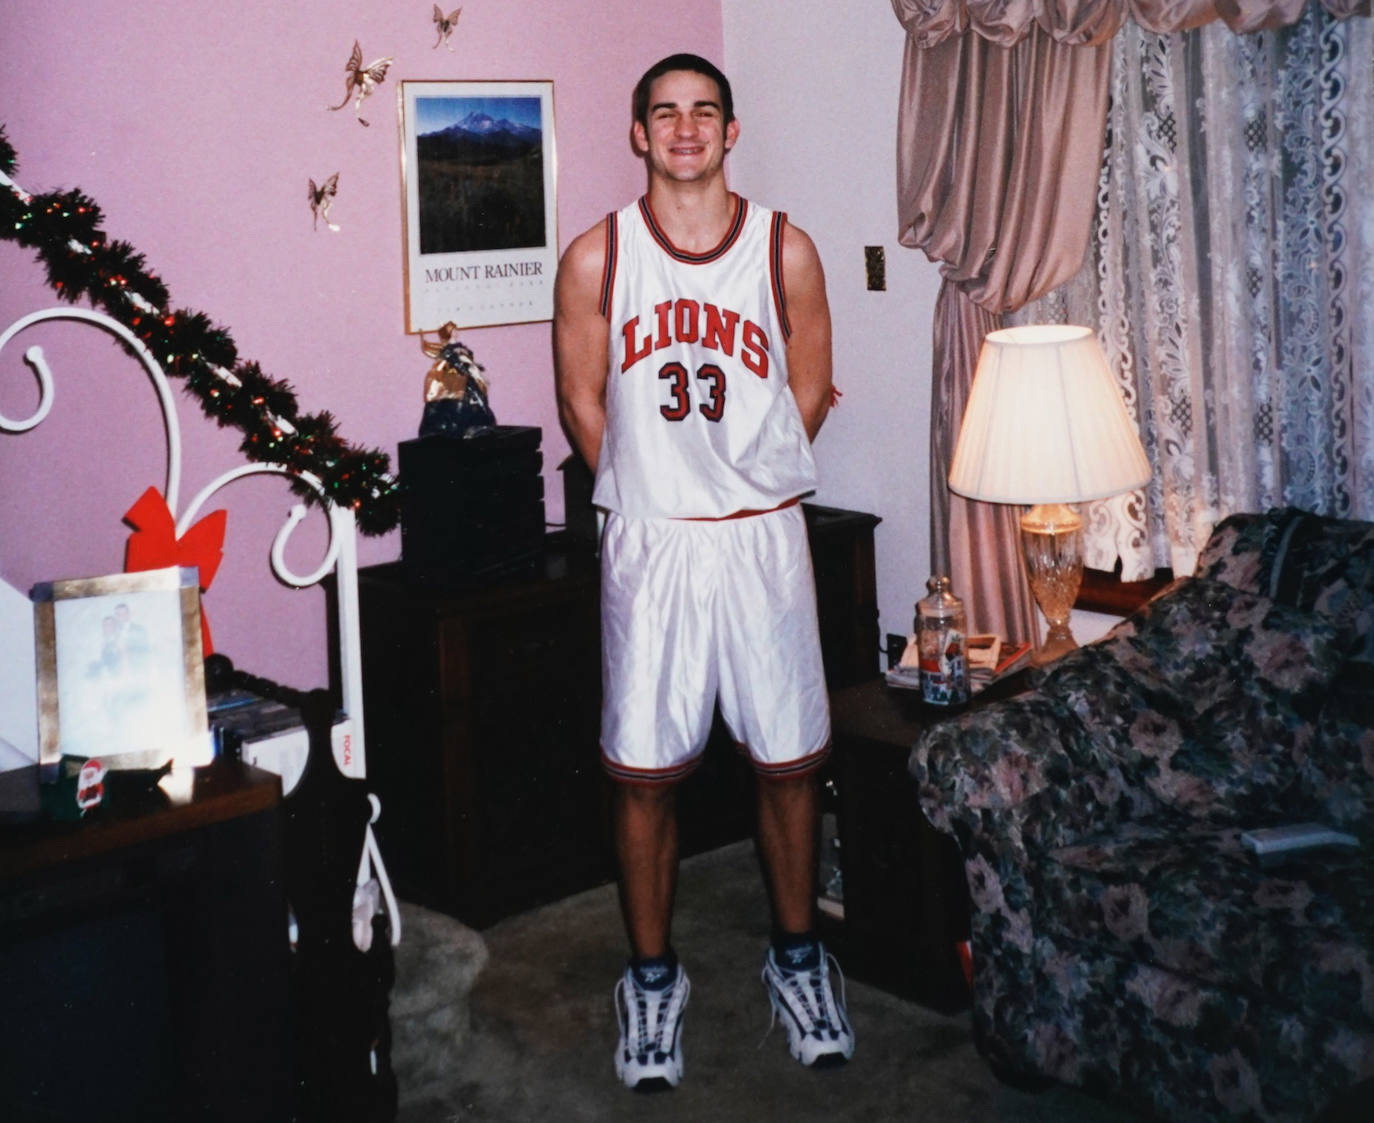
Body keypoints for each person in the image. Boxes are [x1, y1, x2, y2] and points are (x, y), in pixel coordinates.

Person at [553, 53, 853, 1092]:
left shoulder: (786, 250)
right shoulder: (598, 256)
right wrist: (656, 488)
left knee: (788, 763)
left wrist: (745, 477)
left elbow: (810, 388)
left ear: (731, 130)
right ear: (638, 133)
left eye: (704, 112)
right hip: (653, 538)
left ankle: (799, 954)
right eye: (665, 114)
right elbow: (583, 402)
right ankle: (651, 976)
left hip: (761, 536)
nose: (685, 129)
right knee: (642, 773)